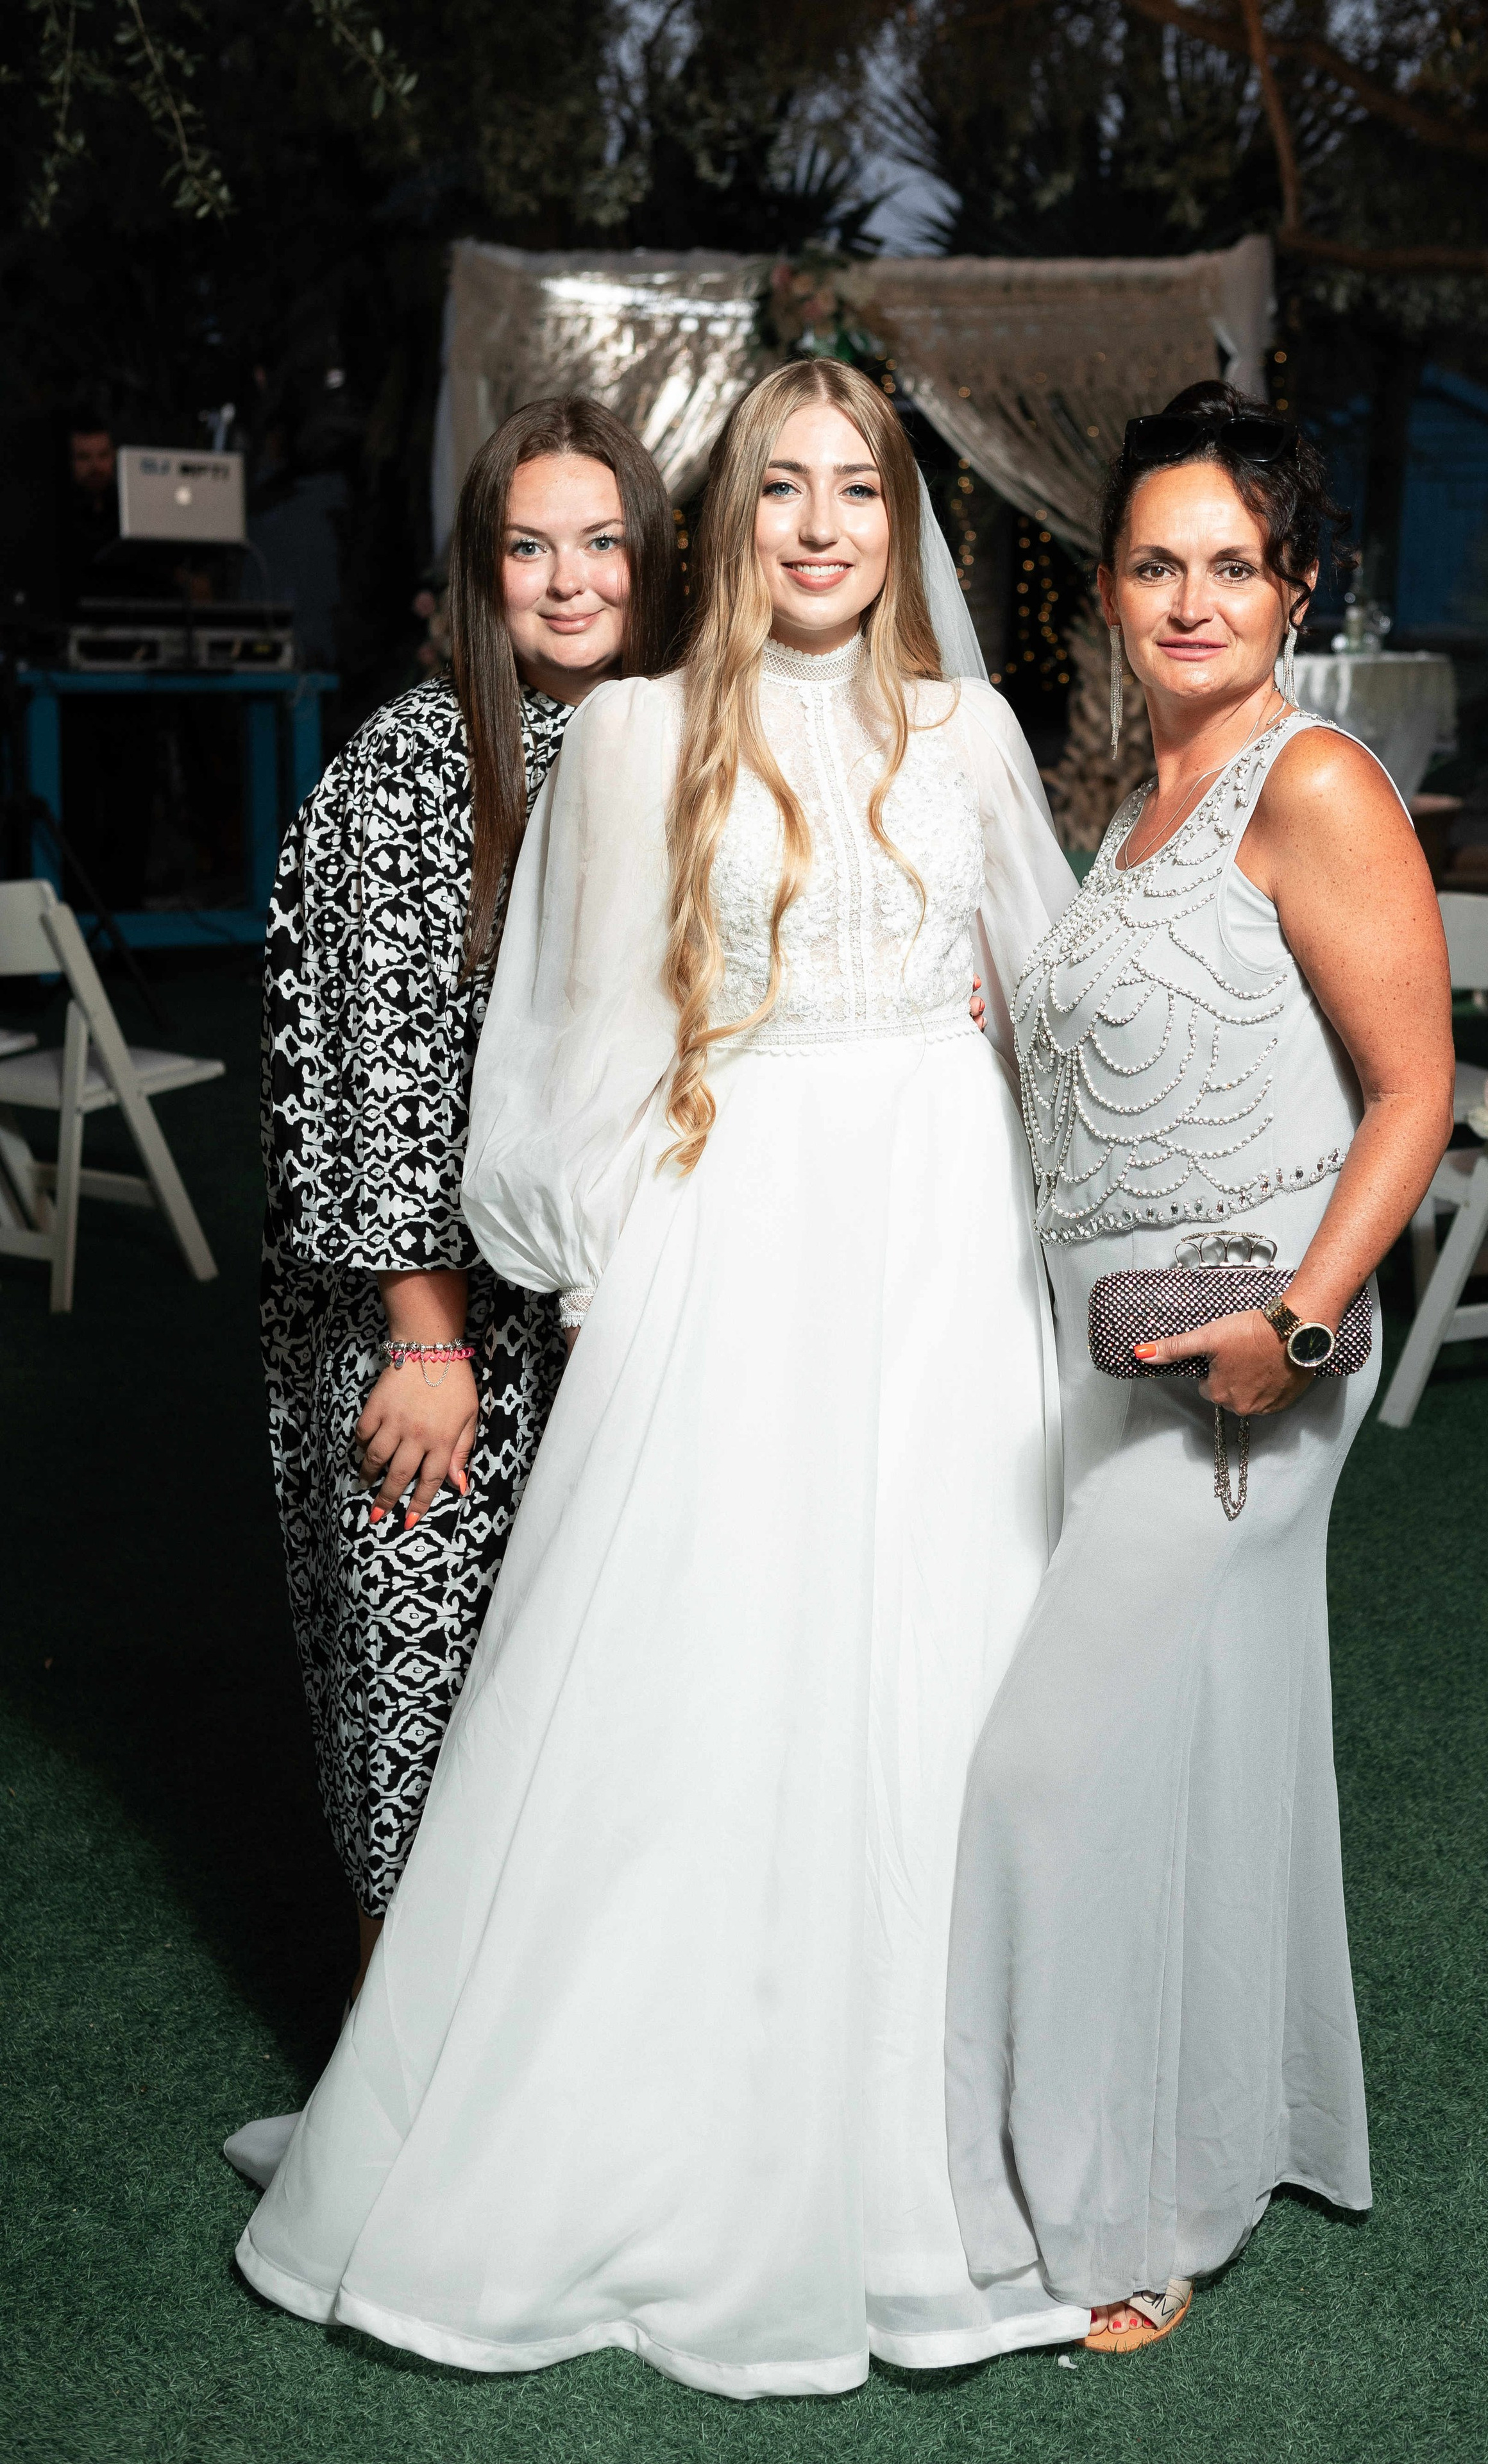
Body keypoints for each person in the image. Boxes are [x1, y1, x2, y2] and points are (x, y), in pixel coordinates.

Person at [233, 356, 1088, 2394]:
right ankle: (645, 2122)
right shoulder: (633, 735)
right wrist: (603, 1283)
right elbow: (551, 1059)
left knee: (932, 1662)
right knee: (704, 1675)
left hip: (940, 1253)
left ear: (902, 523)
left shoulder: (973, 739)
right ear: (732, 523)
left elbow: (1061, 1015)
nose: (817, 526)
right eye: (780, 488)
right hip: (735, 1249)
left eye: (856, 490)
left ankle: (946, 2130)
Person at [945, 380, 1454, 2354]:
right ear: (1103, 594)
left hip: (1258, 1356)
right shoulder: (1132, 801)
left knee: (1045, 1777)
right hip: (1123, 1347)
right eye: (1157, 564)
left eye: (1232, 566)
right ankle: (1205, 2140)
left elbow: (1412, 1088)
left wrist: (1300, 1328)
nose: (1192, 599)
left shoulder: (1312, 784)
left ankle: (1103, 2211)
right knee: (1186, 1755)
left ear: (1296, 588)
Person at [258, 397, 679, 2006]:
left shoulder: (667, 740)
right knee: (418, 1726)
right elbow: (365, 1078)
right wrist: (426, 1341)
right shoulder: (410, 768)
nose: (567, 581)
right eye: (527, 546)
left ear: (647, 554)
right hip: (425, 1331)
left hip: (604, 1324)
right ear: (477, 570)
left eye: (597, 540)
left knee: (578, 1730)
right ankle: (389, 2120)